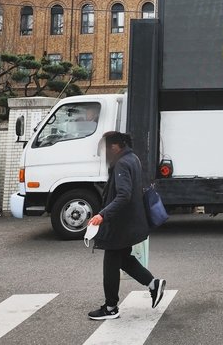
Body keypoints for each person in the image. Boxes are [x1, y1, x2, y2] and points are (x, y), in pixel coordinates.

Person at [87, 131, 166, 320]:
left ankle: (111, 307)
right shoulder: (133, 158)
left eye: (105, 149)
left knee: (111, 264)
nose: (104, 155)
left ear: (115, 147)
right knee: (123, 259)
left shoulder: (122, 163)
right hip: (130, 222)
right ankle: (153, 283)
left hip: (120, 225)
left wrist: (102, 215)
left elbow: (124, 195)